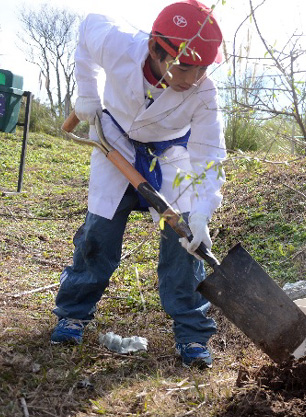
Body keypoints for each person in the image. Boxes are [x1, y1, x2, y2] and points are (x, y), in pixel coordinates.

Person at [50, 0, 226, 369]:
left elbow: (207, 157)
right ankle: (73, 313)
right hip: (113, 144)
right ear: (154, 50)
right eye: (185, 67)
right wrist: (87, 92)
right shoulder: (118, 43)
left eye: (203, 69)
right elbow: (87, 28)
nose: (193, 78)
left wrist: (202, 215)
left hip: (168, 158)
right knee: (98, 235)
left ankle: (192, 336)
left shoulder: (204, 92)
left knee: (184, 246)